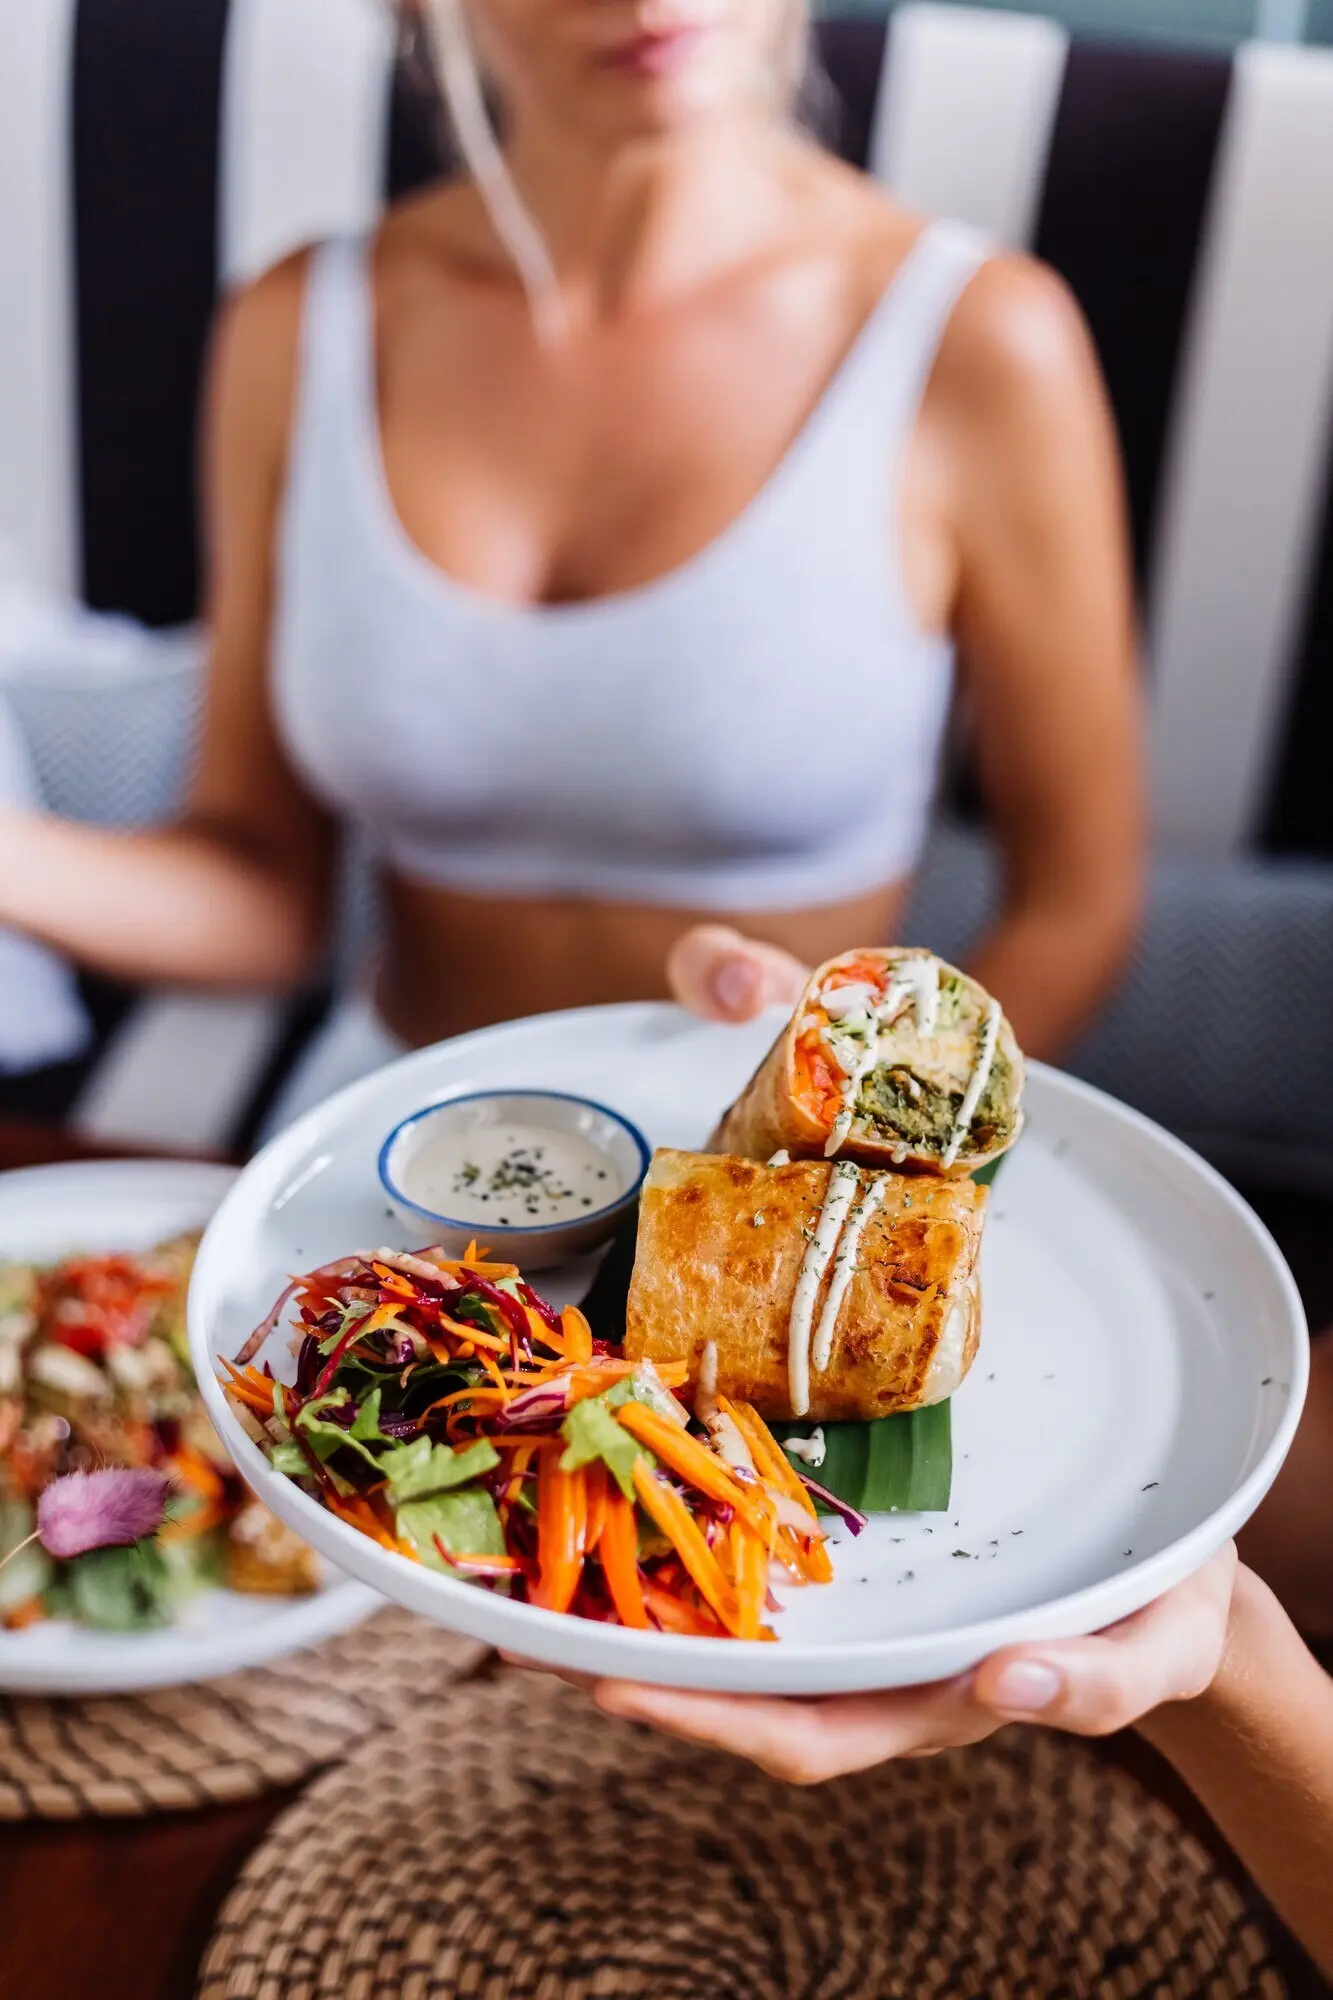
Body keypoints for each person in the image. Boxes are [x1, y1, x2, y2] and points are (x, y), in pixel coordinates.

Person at [0, 0, 1140, 1131]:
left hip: (778, 1182)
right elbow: (258, 890)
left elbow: (1075, 908)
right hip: (390, 1137)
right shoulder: (301, 327)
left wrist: (868, 1150)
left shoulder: (982, 340)